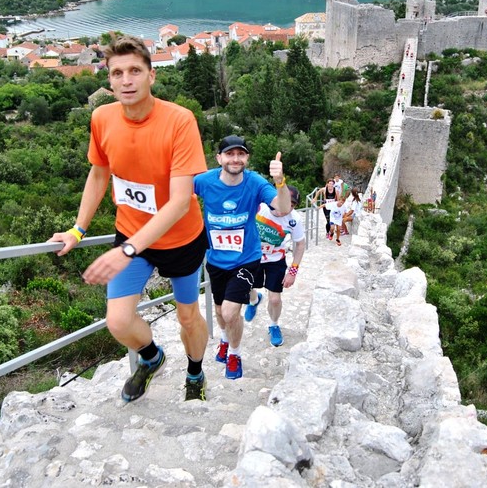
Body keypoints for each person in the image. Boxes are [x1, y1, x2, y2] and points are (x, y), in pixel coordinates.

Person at [48, 34, 210, 403]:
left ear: (151, 76)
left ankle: (196, 372)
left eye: (135, 70)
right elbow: (99, 174)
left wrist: (126, 250)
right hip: (131, 234)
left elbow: (180, 201)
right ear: (108, 80)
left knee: (188, 317)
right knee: (118, 321)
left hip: (180, 240)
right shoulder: (102, 118)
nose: (126, 80)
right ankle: (152, 358)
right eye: (117, 72)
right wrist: (78, 229)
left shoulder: (180, 121)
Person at [193, 135, 290, 380]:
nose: (235, 159)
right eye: (229, 154)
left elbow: (283, 208)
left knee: (229, 313)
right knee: (218, 310)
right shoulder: (204, 181)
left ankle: (234, 353)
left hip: (246, 259)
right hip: (215, 260)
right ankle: (225, 340)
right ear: (219, 158)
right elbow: (175, 193)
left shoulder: (255, 182)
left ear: (246, 158)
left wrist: (280, 182)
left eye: (241, 154)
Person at [244, 185, 306, 348]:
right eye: (283, 202)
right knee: (248, 287)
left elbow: (300, 245)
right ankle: (253, 301)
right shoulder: (260, 208)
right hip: (253, 256)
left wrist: (292, 272)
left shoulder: (294, 219)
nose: (286, 208)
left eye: (292, 205)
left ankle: (273, 324)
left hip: (276, 260)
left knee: (275, 299)